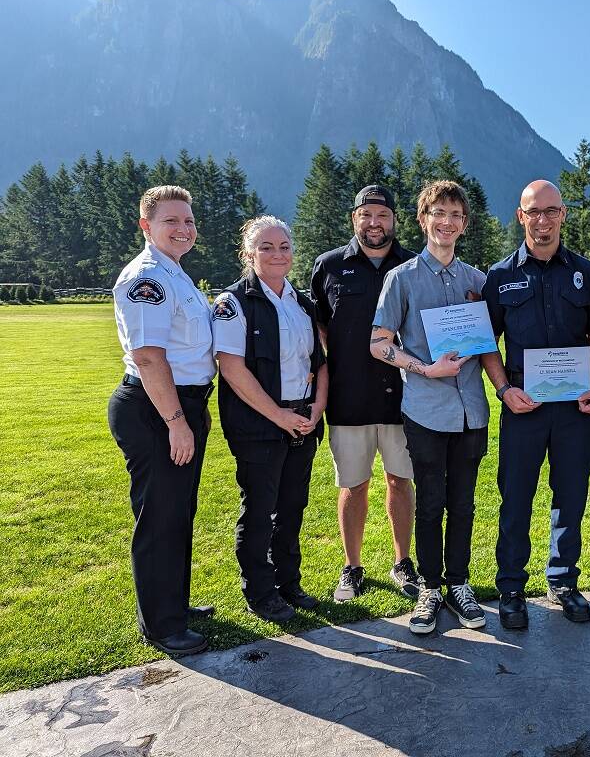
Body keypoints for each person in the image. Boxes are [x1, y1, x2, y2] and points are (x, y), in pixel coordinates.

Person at [481, 180, 590, 630]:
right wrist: (502, 390)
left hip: (574, 408)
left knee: (570, 497)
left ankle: (563, 581)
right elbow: (486, 344)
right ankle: (511, 588)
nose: (542, 220)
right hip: (524, 406)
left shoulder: (587, 274)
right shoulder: (498, 278)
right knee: (516, 498)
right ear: (521, 217)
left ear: (563, 215)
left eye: (551, 211)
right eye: (533, 212)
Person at [370, 180, 489, 635]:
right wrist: (424, 369)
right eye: (438, 213)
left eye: (456, 215)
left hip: (471, 411)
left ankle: (459, 584)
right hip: (424, 409)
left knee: (463, 502)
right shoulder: (400, 278)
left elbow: (490, 342)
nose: (447, 222)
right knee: (430, 501)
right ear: (423, 220)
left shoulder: (477, 281)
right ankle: (430, 588)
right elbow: (379, 345)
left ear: (464, 224)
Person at [107, 185, 216, 656]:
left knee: (177, 512)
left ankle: (173, 603)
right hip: (158, 408)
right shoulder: (147, 278)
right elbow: (149, 358)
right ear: (146, 226)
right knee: (160, 517)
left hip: (179, 404)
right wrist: (176, 421)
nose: (184, 229)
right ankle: (162, 626)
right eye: (172, 221)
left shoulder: (176, 275)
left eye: (188, 221)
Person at [213, 216, 328, 623]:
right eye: (266, 247)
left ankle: (288, 583)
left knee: (293, 505)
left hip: (301, 419)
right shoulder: (233, 303)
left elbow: (320, 362)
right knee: (260, 508)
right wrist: (278, 415)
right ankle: (260, 593)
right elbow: (232, 368)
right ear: (248, 254)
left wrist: (316, 408)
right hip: (259, 424)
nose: (277, 254)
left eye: (284, 246)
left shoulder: (301, 303)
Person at [309, 185, 418, 603]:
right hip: (348, 397)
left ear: (394, 220)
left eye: (383, 215)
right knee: (353, 485)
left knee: (400, 480)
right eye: (366, 215)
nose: (375, 223)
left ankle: (402, 562)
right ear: (354, 218)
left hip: (403, 399)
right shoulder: (329, 266)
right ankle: (352, 568)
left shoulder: (412, 265)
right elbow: (319, 327)